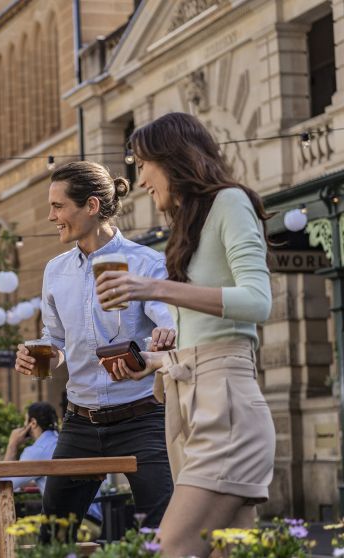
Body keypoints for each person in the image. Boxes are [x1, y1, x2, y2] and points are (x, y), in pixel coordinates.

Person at [95, 112, 275, 558]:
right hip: (197, 405)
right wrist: (154, 363)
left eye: (141, 165)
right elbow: (208, 337)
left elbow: (258, 301)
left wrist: (154, 286)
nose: (139, 181)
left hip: (226, 410)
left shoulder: (231, 202)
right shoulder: (190, 225)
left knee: (171, 549)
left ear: (170, 158)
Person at [14, 160, 177, 529]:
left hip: (142, 418)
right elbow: (55, 342)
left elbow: (169, 325)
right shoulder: (55, 271)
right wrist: (39, 355)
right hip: (80, 422)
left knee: (161, 531)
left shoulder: (146, 263)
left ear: (90, 206)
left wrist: (165, 338)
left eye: (58, 206)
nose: (51, 216)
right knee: (54, 533)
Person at [3, 402, 102, 524]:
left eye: (25, 422)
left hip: (70, 522)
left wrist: (12, 445)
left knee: (18, 533)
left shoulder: (37, 450)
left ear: (32, 423)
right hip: (94, 519)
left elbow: (5, 482)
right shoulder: (63, 442)